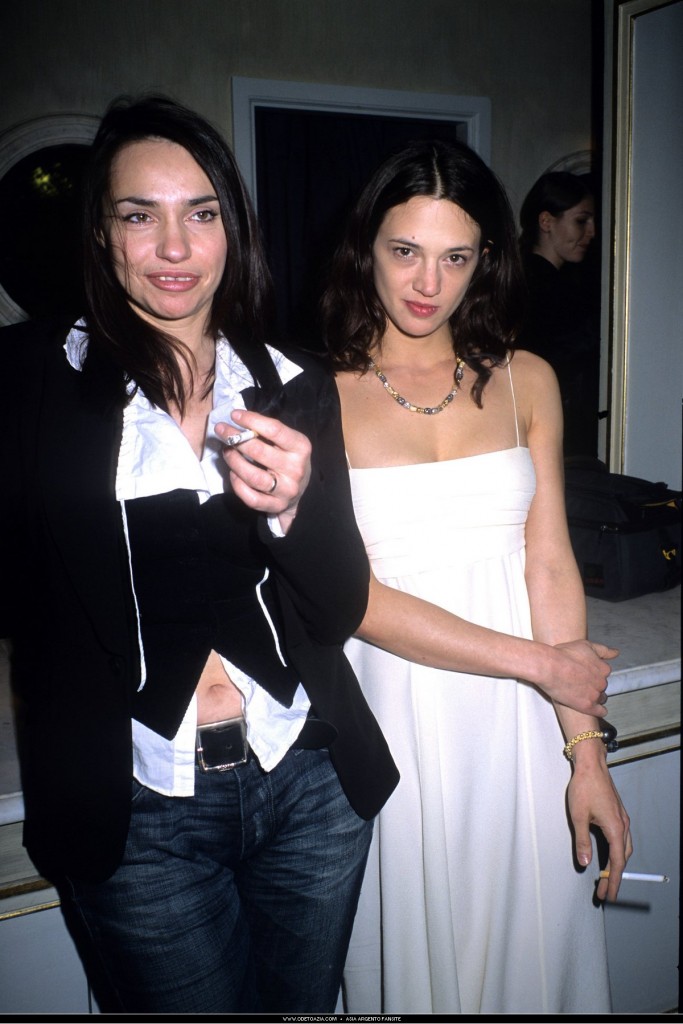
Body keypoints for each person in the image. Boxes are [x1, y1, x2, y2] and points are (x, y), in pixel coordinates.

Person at [0, 95, 399, 1015]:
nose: (175, 247)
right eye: (140, 215)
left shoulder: (293, 383)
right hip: (136, 809)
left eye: (202, 213)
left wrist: (294, 511)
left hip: (305, 784)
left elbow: (339, 605)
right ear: (102, 236)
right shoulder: (30, 380)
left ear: (233, 229)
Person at [321, 140, 632, 1015]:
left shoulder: (527, 380)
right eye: (405, 251)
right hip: (391, 718)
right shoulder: (316, 395)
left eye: (455, 257)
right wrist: (544, 665)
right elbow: (351, 598)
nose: (428, 283)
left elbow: (548, 563)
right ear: (365, 248)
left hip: (525, 723)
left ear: (484, 259)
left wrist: (585, 755)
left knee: (535, 956)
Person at [518, 170, 600, 456]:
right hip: (546, 435)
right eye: (581, 221)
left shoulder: (552, 282)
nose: (592, 232)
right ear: (546, 221)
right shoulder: (537, 287)